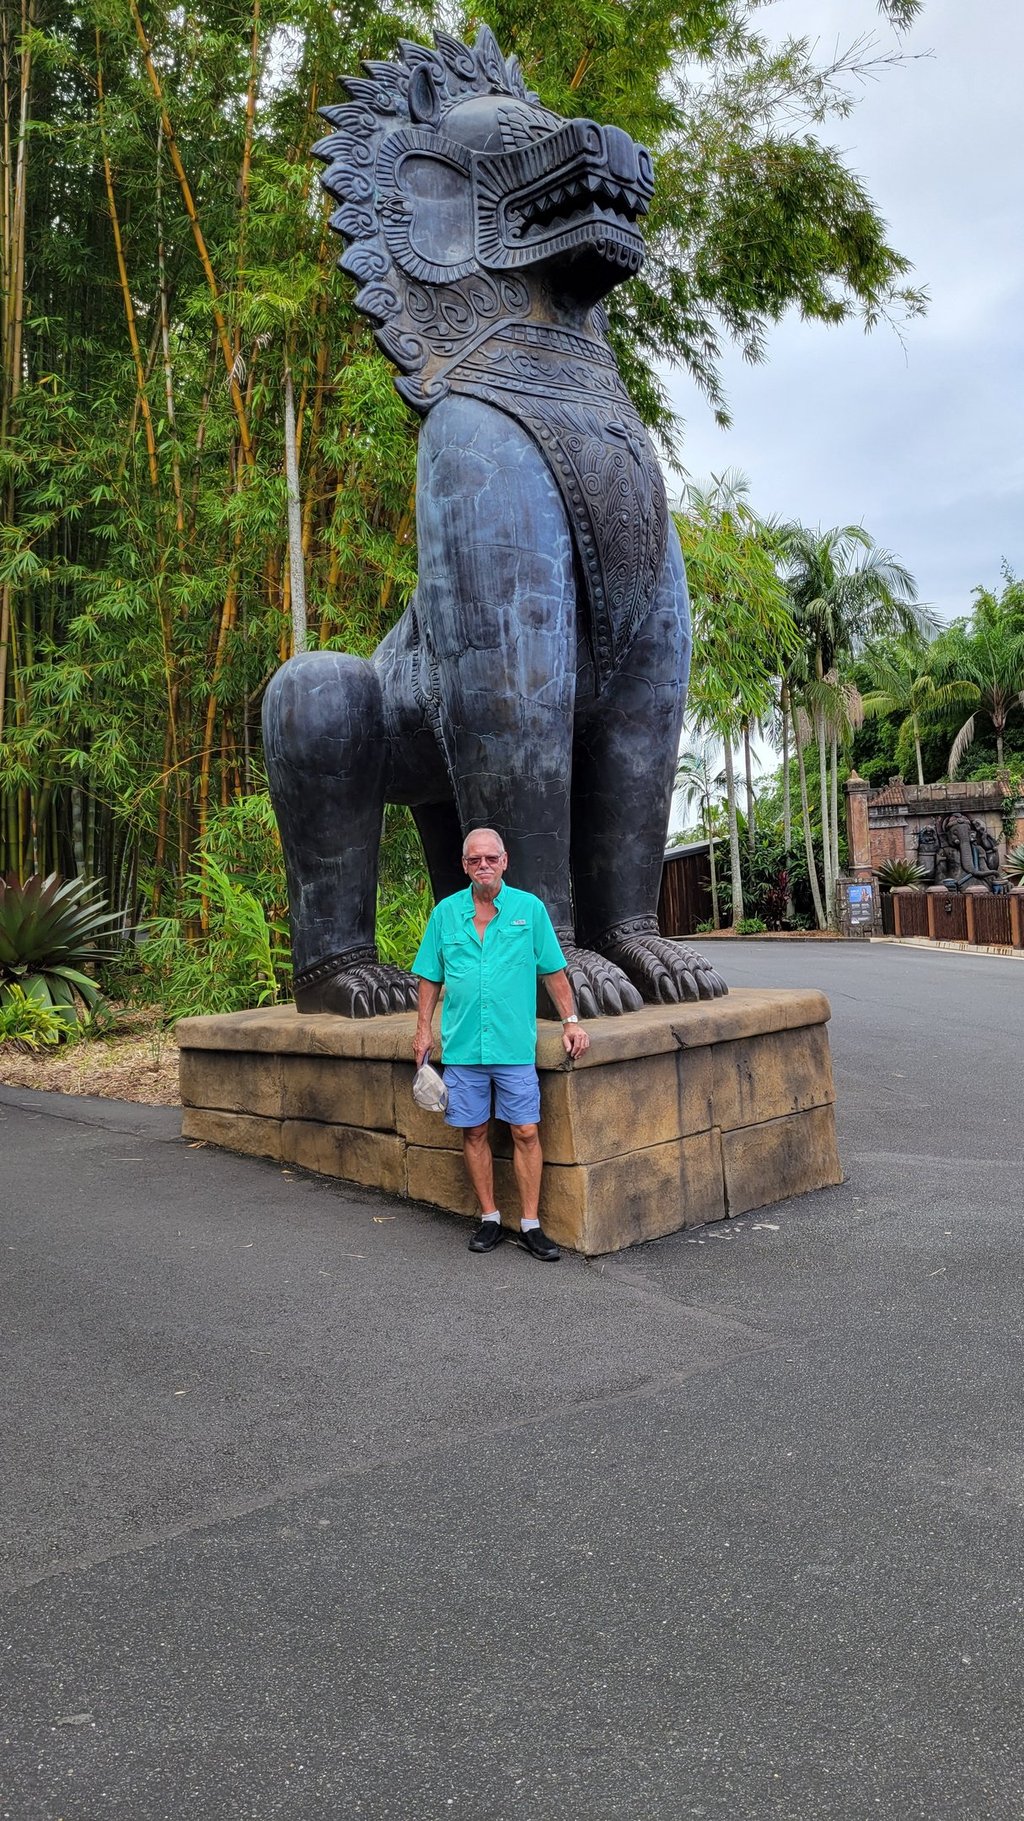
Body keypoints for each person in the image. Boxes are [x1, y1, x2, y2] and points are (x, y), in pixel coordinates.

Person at [412, 828, 590, 1259]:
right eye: (475, 860)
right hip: (464, 1048)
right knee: (473, 1131)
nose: (483, 866)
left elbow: (554, 971)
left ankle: (530, 1224)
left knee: (525, 1131)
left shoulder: (529, 911)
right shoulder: (445, 915)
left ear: (505, 861)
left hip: (513, 1046)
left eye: (490, 858)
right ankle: (490, 1217)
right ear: (465, 865)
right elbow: (429, 977)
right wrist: (422, 1030)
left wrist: (571, 1021)